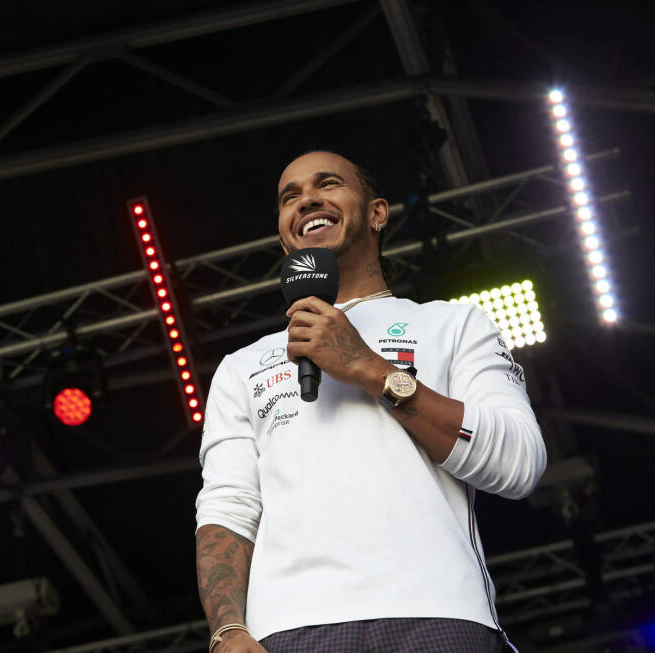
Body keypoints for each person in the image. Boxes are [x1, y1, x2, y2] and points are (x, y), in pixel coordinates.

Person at [195, 151, 546, 653]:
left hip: (437, 611)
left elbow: (519, 462)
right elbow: (227, 509)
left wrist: (371, 370)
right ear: (284, 235)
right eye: (290, 197)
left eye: (328, 184)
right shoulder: (242, 365)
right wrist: (227, 631)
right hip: (290, 630)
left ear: (378, 213)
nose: (307, 200)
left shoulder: (453, 324)